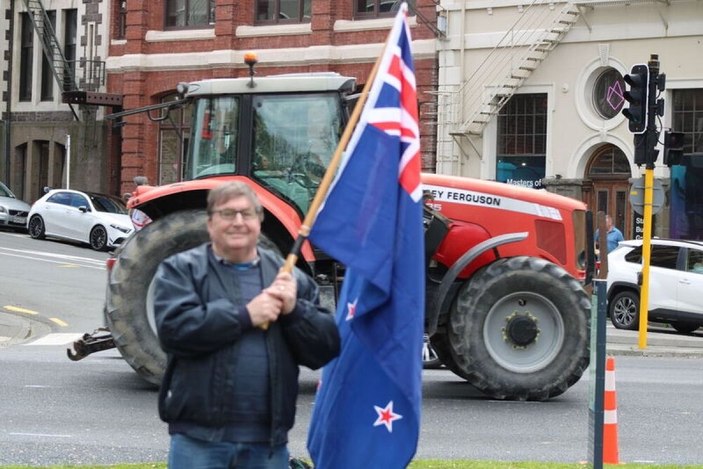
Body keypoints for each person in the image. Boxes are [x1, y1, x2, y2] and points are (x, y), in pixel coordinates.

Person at [153, 181, 341, 469]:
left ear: (259, 220)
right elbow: (174, 332)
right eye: (227, 214)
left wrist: (294, 311)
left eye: (247, 213)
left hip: (267, 444)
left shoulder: (289, 279)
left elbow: (325, 349)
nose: (238, 222)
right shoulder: (181, 270)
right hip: (198, 441)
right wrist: (245, 316)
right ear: (210, 222)